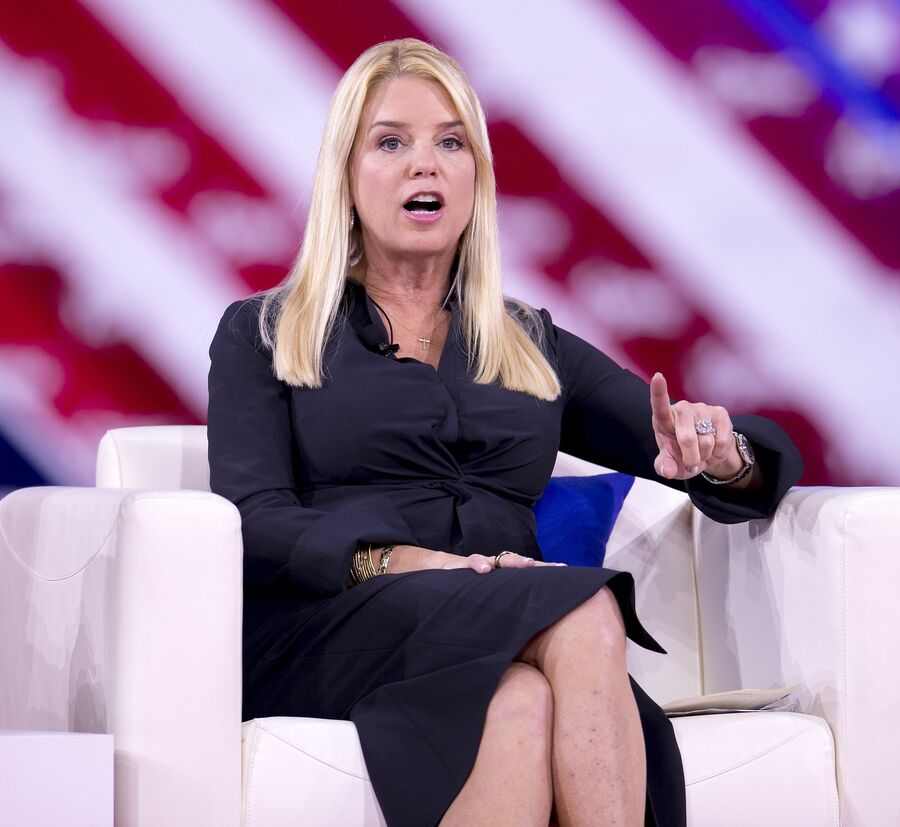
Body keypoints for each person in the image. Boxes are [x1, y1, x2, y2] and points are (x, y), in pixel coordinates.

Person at [207, 38, 802, 827]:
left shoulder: (529, 343)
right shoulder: (266, 331)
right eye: (391, 142)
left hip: (492, 635)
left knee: (520, 701)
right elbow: (251, 517)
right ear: (345, 175)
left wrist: (722, 454)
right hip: (331, 628)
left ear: (476, 178)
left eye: (451, 143)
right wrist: (400, 560)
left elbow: (696, 449)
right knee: (584, 611)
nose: (425, 164)